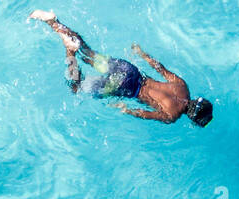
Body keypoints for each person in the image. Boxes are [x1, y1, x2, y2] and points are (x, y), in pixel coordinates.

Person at [28, 10, 213, 126]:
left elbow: (159, 67)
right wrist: (125, 109)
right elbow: (143, 114)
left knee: (88, 53)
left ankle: (53, 22)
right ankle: (69, 52)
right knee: (76, 87)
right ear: (192, 118)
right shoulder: (172, 115)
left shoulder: (182, 86)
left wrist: (142, 54)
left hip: (130, 71)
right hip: (125, 87)